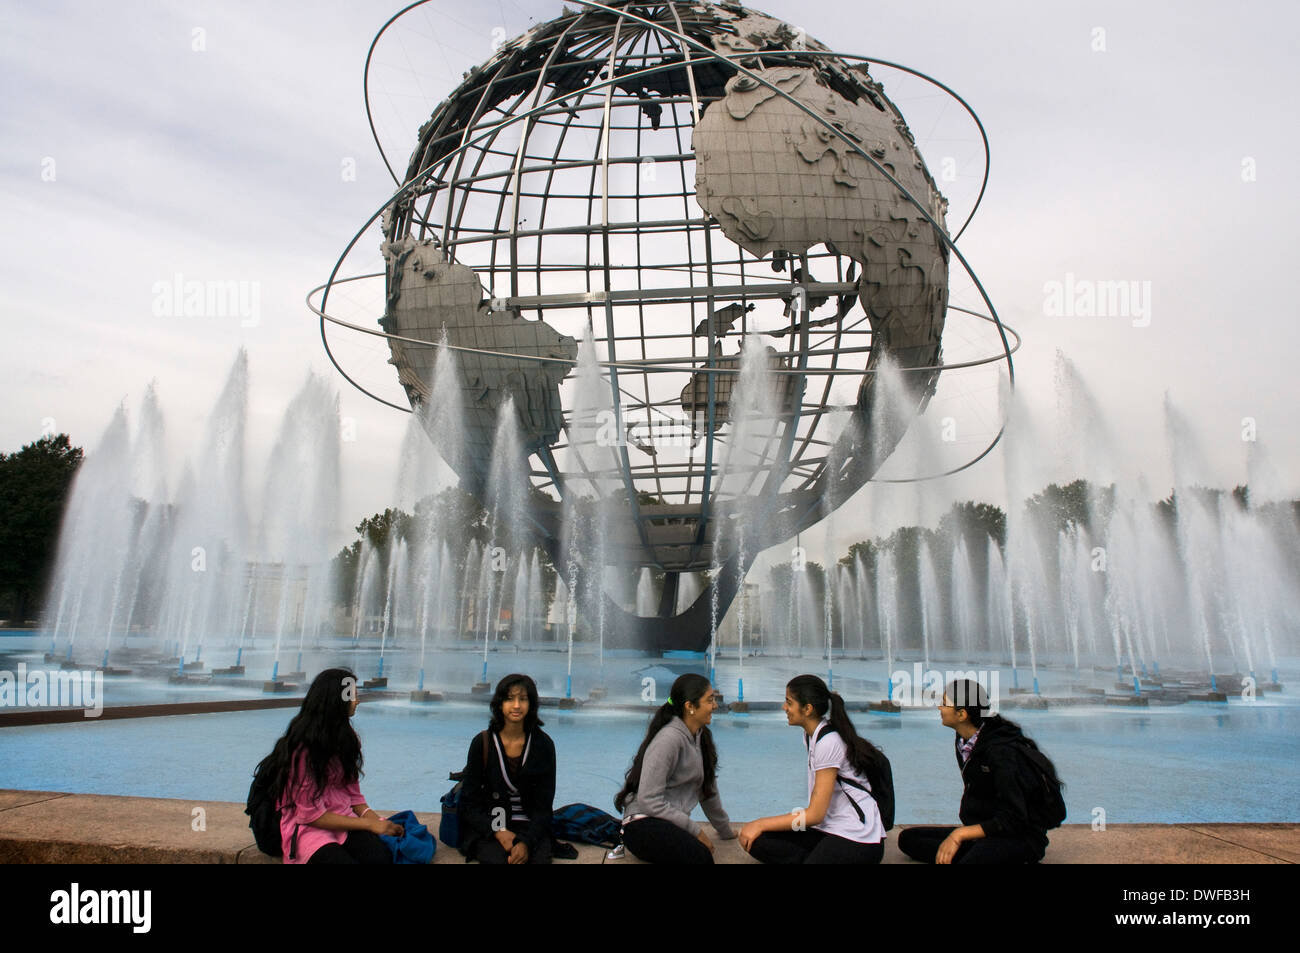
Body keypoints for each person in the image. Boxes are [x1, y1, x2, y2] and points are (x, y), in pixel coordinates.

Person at [898, 679, 1059, 864]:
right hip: (985, 831)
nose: (939, 707)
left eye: (944, 703)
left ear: (961, 714)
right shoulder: (964, 739)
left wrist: (959, 834)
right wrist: (967, 833)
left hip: (1019, 836)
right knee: (909, 839)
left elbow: (1015, 818)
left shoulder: (1001, 752)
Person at [258, 667, 402, 864]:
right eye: (352, 696)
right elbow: (309, 814)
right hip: (307, 828)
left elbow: (353, 795)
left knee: (381, 859)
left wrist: (378, 822)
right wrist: (368, 825)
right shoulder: (303, 748)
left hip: (344, 821)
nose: (357, 701)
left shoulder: (348, 739)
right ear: (336, 700)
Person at [738, 674, 886, 864]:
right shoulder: (811, 736)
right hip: (829, 828)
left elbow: (815, 814)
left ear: (807, 709)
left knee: (760, 830)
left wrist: (760, 822)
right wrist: (762, 827)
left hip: (858, 837)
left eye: (789, 702)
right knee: (758, 841)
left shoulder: (829, 742)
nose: (784, 708)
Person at [614, 673, 735, 864]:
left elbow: (708, 791)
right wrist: (695, 830)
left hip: (667, 824)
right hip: (642, 824)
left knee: (701, 854)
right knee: (700, 857)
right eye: (709, 700)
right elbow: (648, 801)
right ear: (690, 707)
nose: (715, 706)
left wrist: (726, 831)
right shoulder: (668, 740)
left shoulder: (701, 736)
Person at [458, 673, 556, 864]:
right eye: (510, 699)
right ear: (499, 703)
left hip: (531, 829)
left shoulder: (543, 745)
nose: (517, 705)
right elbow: (469, 802)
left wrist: (525, 842)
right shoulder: (483, 743)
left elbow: (544, 805)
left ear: (532, 704)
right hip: (492, 826)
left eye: (523, 699)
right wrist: (498, 831)